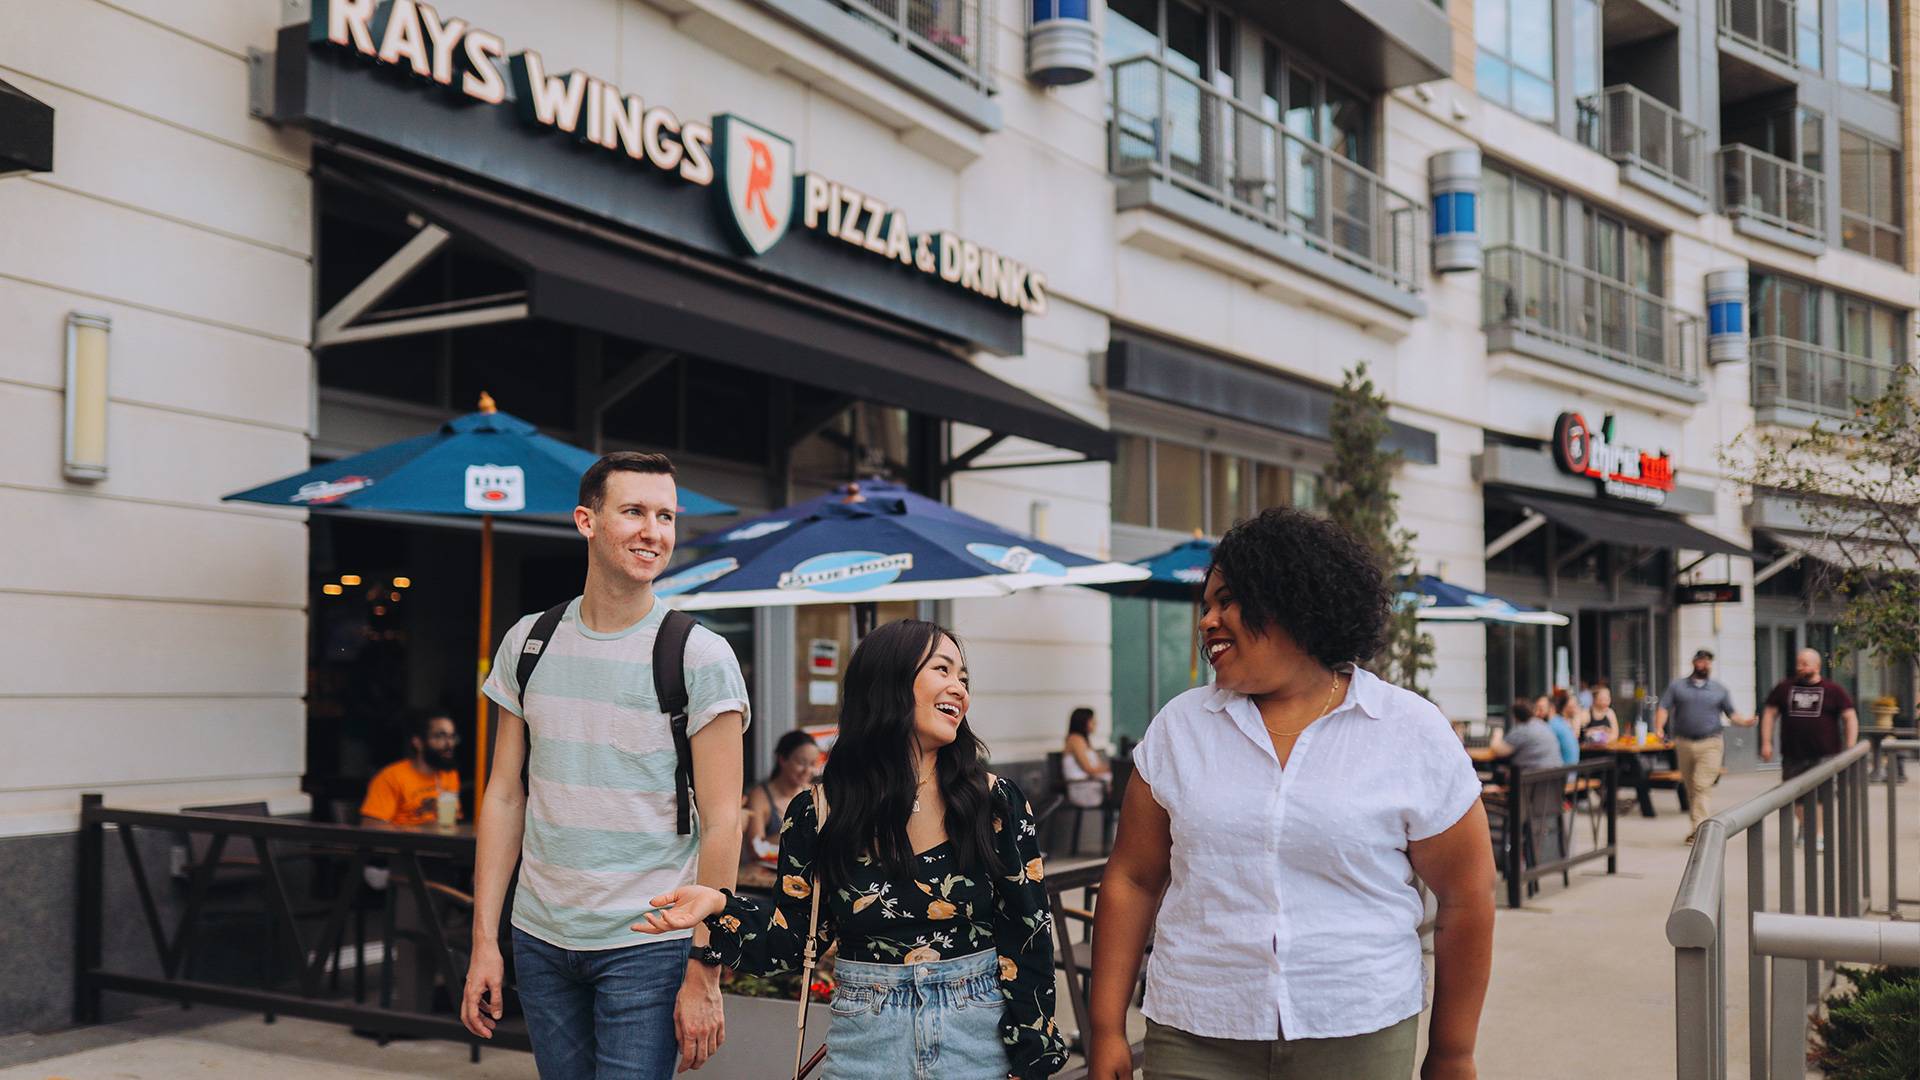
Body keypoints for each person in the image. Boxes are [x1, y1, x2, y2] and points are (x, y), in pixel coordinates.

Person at [1085, 508, 1494, 1080]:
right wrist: (1105, 1030)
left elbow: (1467, 895)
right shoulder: (1180, 728)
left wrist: (1453, 1051)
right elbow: (1132, 878)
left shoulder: (1408, 731)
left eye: (1227, 601)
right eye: (1206, 606)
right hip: (1198, 1030)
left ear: (1294, 600)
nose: (1208, 622)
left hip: (1356, 1028)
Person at [636, 619, 1069, 1080]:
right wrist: (718, 904)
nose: (959, 688)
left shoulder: (994, 802)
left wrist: (1032, 1060)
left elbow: (1028, 939)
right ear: (890, 681)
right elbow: (791, 945)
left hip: (976, 1044)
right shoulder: (818, 812)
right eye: (942, 670)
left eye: (963, 678)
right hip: (865, 1048)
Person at [459, 451, 749, 1078]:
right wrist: (486, 941)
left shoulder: (699, 654)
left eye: (666, 516)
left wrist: (706, 966)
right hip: (540, 935)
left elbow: (726, 821)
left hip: (648, 944)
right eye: (635, 512)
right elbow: (505, 795)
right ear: (586, 521)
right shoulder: (528, 641)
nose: (655, 531)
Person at [1760, 648, 1858, 850]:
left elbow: (1850, 717)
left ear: (1816, 666)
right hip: (1793, 753)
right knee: (1795, 795)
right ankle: (1806, 827)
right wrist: (1766, 742)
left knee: (1822, 796)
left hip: (1825, 754)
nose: (1800, 667)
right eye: (1798, 663)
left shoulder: (1833, 690)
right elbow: (1769, 714)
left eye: (1805, 663)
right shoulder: (1784, 688)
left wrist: (1850, 748)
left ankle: (1818, 834)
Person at [1655, 649, 1756, 843]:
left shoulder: (1719, 689)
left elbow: (1731, 714)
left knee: (1701, 785)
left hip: (1710, 743)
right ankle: (1698, 827)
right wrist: (1659, 727)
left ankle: (1700, 830)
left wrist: (1745, 722)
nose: (1705, 665)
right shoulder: (1677, 686)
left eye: (1708, 662)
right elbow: (1663, 707)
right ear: (1694, 662)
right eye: (1701, 661)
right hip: (1683, 742)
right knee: (1690, 786)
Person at [360, 709, 461, 826]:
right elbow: (370, 826)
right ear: (418, 742)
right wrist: (421, 830)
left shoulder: (449, 774)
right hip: (405, 844)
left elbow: (451, 821)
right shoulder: (391, 777)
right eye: (440, 736)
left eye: (452, 736)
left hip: (440, 843)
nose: (449, 744)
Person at [743, 731, 820, 864]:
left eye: (813, 764)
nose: (808, 770)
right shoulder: (760, 796)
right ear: (782, 759)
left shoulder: (814, 793)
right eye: (802, 762)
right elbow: (755, 849)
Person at [1062, 706, 1112, 808]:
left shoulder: (1086, 741)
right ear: (1083, 722)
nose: (1095, 724)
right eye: (1092, 721)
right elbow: (1088, 769)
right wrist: (1109, 769)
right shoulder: (1075, 740)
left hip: (1092, 784)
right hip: (1082, 788)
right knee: (1122, 789)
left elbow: (1098, 766)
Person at [1490, 699, 1562, 769]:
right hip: (1552, 775)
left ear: (1515, 716)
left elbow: (1498, 751)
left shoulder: (1522, 730)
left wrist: (1497, 734)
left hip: (1531, 777)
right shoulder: (1543, 725)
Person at [1547, 691, 1582, 764]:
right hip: (1563, 772)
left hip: (1568, 772)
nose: (1578, 707)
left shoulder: (1564, 723)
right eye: (1574, 705)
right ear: (1565, 706)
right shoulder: (1555, 724)